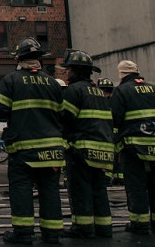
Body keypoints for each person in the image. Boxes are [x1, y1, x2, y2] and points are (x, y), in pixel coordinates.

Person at [0, 37, 64, 245]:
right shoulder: (52, 83)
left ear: (19, 58)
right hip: (52, 150)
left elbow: (0, 112)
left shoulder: (11, 80)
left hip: (24, 149)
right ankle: (52, 233)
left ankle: (23, 233)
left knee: (21, 190)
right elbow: (61, 114)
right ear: (39, 59)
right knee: (50, 190)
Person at [59, 50, 114, 239]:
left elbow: (66, 118)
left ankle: (83, 227)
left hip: (81, 150)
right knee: (99, 189)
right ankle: (104, 227)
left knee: (80, 189)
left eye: (68, 70)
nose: (66, 73)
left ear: (75, 70)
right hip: (103, 149)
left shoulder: (74, 91)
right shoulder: (99, 92)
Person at [110, 60, 155, 235]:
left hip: (133, 147)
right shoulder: (152, 88)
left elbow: (115, 119)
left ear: (121, 75)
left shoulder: (121, 91)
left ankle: (140, 223)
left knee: (136, 186)